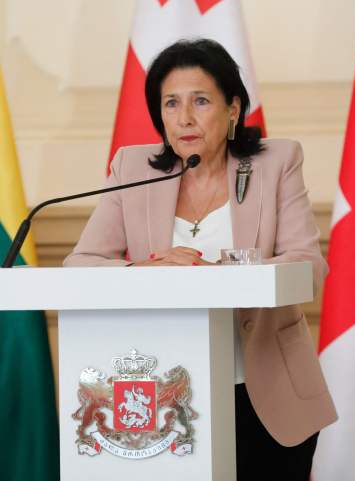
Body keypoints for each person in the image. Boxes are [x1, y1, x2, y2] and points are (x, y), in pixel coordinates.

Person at [64, 38, 337, 479]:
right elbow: (80, 264)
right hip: (165, 401)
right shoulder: (133, 169)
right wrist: (143, 270)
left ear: (232, 109)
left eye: (200, 101)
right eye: (171, 103)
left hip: (263, 394)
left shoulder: (276, 163)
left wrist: (219, 277)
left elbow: (308, 266)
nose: (184, 117)